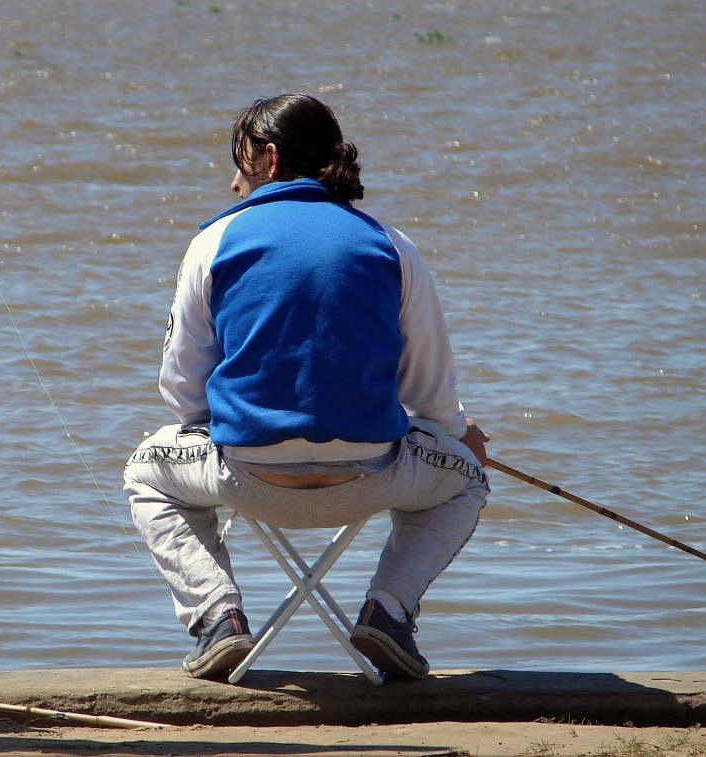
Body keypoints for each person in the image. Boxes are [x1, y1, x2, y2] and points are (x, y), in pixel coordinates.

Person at [123, 94, 490, 681]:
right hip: (371, 475)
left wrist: (229, 420)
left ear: (268, 159)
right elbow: (430, 390)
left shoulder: (213, 242)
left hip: (247, 476)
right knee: (466, 479)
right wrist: (460, 436)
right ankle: (390, 611)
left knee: (145, 471)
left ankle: (217, 615)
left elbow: (182, 391)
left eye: (239, 163)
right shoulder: (392, 245)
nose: (232, 180)